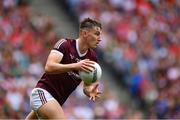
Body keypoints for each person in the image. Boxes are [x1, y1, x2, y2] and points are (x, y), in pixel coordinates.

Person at [25, 18, 102, 119]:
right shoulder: (65, 44)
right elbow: (49, 67)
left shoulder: (92, 58)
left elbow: (86, 85)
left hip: (55, 102)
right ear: (84, 33)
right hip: (43, 93)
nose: (100, 38)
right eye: (96, 34)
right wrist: (75, 65)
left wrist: (89, 91)